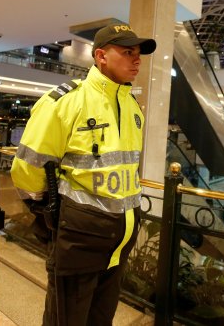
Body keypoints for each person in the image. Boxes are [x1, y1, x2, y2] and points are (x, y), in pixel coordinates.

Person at [10, 24, 156, 325]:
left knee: (101, 320)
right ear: (101, 56)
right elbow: (27, 169)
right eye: (128, 52)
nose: (137, 60)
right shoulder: (65, 101)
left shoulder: (132, 106)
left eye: (138, 53)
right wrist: (49, 215)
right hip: (78, 240)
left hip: (118, 243)